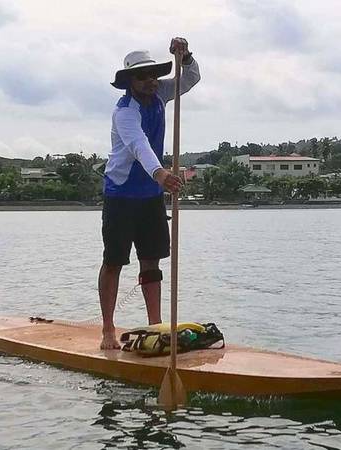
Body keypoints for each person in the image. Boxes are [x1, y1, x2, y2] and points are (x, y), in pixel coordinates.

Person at [99, 38, 200, 350]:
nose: (151, 81)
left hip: (150, 197)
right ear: (130, 81)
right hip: (121, 194)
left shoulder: (162, 94)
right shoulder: (125, 112)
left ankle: (155, 326)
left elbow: (192, 77)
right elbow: (138, 145)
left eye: (155, 74)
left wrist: (186, 56)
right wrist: (161, 174)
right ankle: (107, 330)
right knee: (114, 261)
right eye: (143, 77)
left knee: (151, 262)